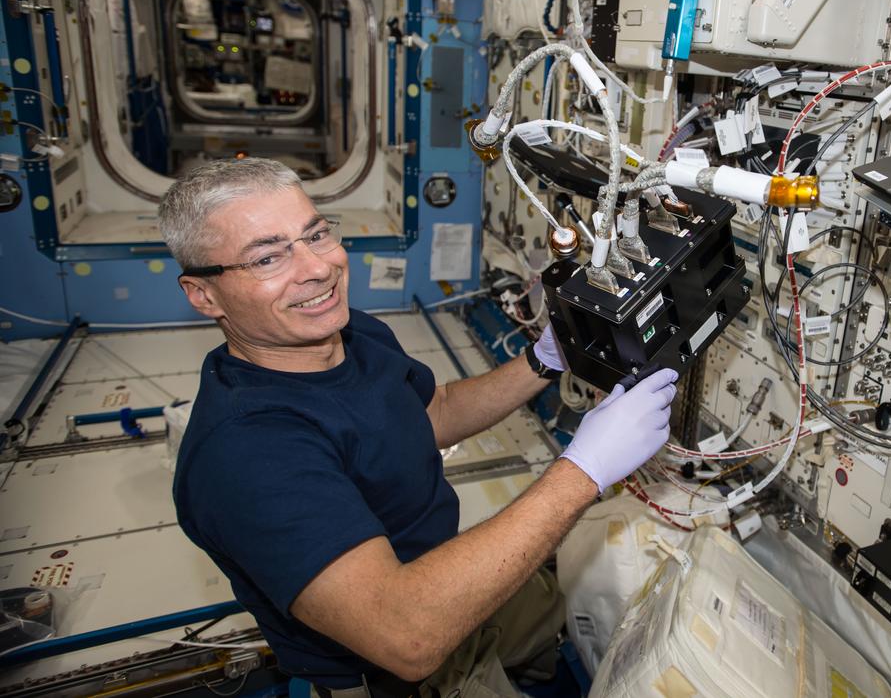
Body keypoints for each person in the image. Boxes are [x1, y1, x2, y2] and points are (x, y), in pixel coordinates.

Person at [160, 158, 678, 698]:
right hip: (406, 664)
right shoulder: (246, 453)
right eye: (268, 257)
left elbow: (433, 414)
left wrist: (543, 361)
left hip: (454, 571)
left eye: (315, 235)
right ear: (203, 294)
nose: (317, 268)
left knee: (552, 615)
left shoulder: (349, 334)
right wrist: (583, 470)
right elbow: (407, 635)